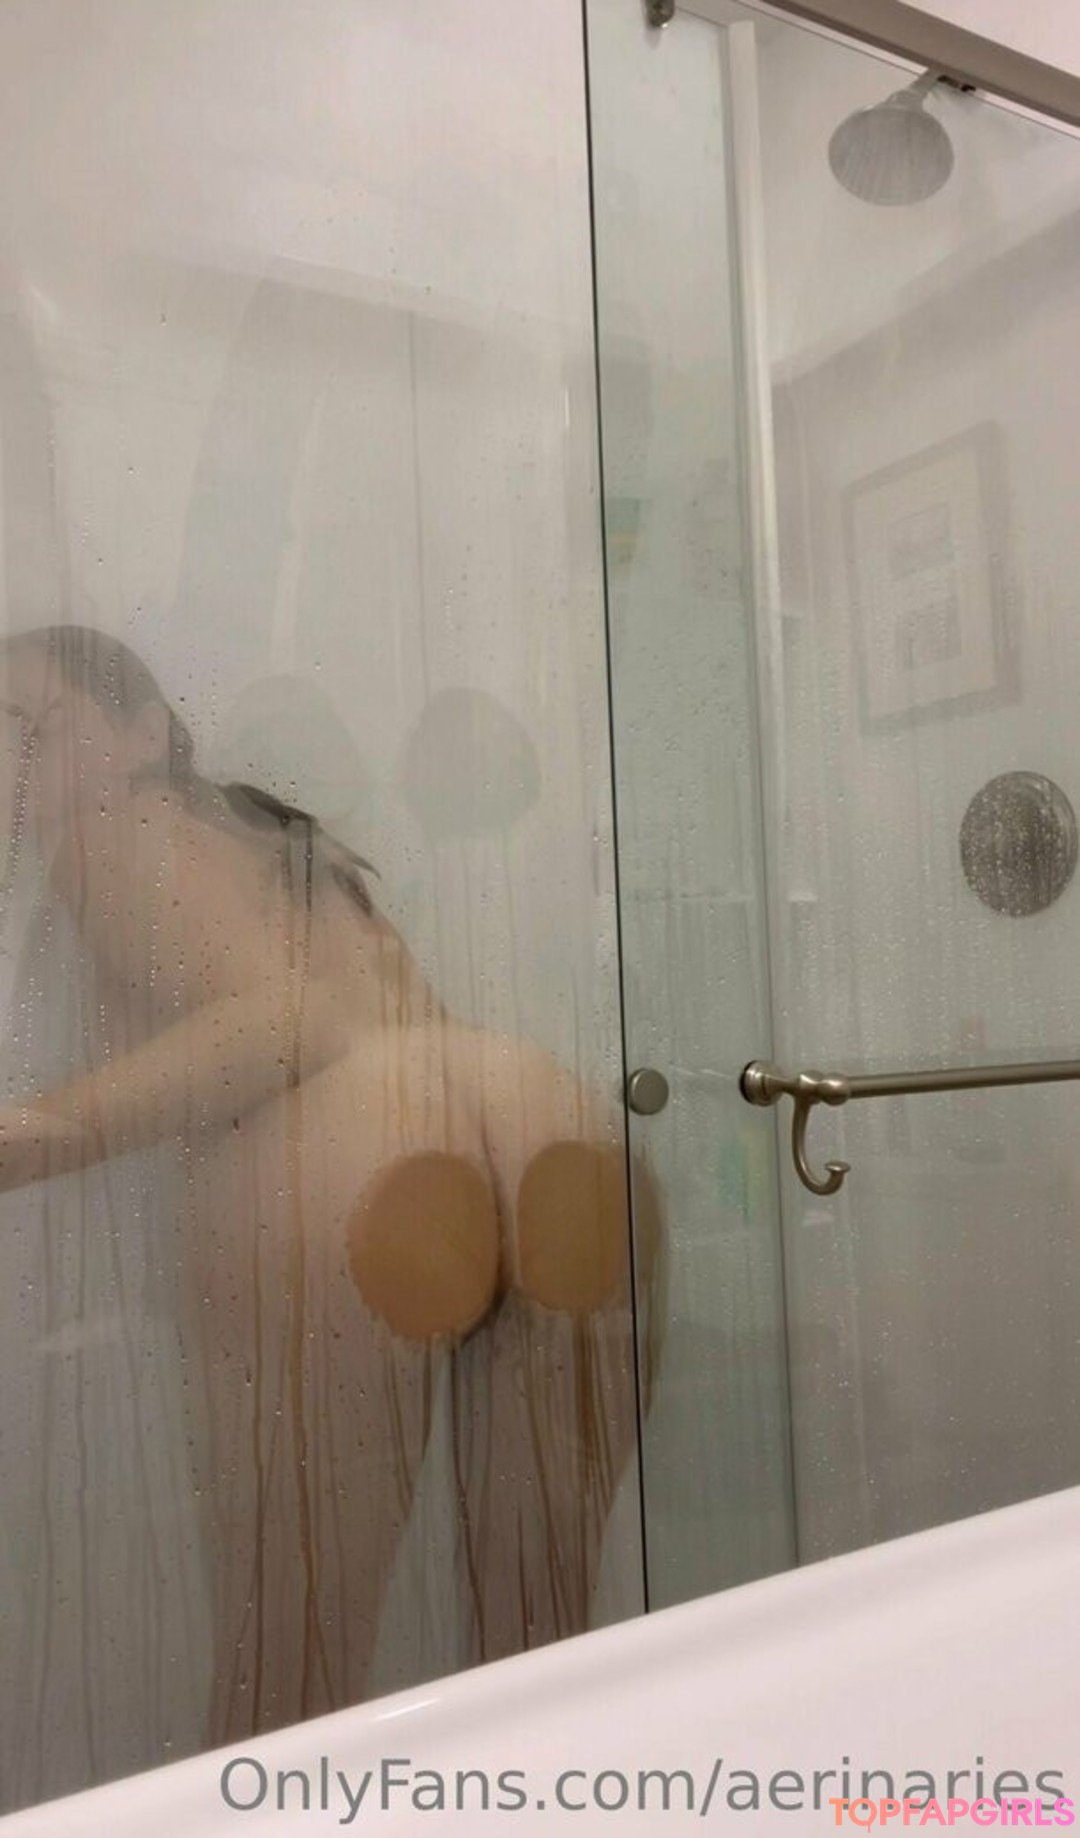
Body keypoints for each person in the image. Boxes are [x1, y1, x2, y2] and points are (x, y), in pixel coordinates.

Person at [0, 624, 661, 1792]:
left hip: (347, 1164)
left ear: (145, 735)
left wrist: (33, 1135)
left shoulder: (109, 828)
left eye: (32, 728)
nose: (11, 764)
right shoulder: (265, 842)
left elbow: (292, 1019)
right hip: (545, 1127)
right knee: (545, 1642)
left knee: (293, 1669)